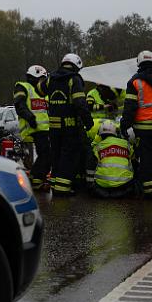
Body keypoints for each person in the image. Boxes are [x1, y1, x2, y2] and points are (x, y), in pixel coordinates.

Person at [37, 53, 93, 196]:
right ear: (76, 65)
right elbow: (80, 103)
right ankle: (62, 190)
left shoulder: (51, 78)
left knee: (56, 157)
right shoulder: (74, 79)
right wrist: (88, 121)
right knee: (68, 158)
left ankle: (55, 186)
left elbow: (40, 89)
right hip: (70, 127)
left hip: (54, 128)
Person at [121, 50, 152, 199]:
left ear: (139, 63)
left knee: (148, 162)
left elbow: (129, 108)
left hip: (143, 131)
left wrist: (124, 125)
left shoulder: (134, 82)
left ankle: (151, 193)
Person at [14, 65, 51, 190]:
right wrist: (30, 118)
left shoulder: (44, 93)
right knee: (46, 155)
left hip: (45, 130)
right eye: (42, 79)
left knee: (46, 156)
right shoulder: (23, 87)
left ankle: (35, 179)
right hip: (33, 128)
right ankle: (36, 180)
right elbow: (19, 105)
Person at [91, 120, 136, 198]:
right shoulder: (126, 144)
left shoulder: (98, 147)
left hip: (102, 186)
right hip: (125, 185)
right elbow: (134, 159)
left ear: (100, 135)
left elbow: (92, 162)